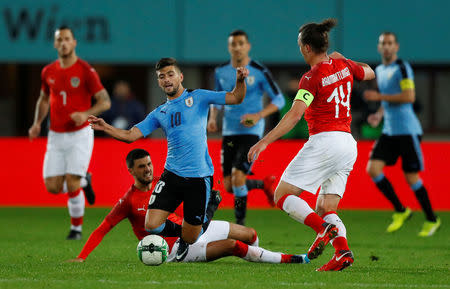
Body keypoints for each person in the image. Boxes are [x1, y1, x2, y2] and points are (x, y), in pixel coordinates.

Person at [88, 57, 249, 262]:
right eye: (161, 77)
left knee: (192, 237)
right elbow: (130, 136)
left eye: (170, 74)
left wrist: (241, 81)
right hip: (171, 174)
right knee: (151, 224)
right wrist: (106, 127)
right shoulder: (159, 113)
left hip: (198, 178)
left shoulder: (199, 97)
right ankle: (186, 230)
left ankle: (205, 214)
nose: (166, 79)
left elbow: (236, 98)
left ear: (180, 77)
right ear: (159, 82)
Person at [248, 19, 375, 271]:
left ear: (306, 48)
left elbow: (294, 115)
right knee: (326, 206)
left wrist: (264, 141)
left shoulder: (310, 77)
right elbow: (370, 71)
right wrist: (346, 61)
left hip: (325, 141)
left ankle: (322, 229)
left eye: (299, 44)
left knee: (282, 194)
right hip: (349, 144)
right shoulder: (344, 65)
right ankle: (342, 252)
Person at [66, 149, 309, 265]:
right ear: (131, 170)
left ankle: (256, 260)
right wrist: (81, 257)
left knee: (250, 234)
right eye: (141, 167)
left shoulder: (164, 185)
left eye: (149, 164)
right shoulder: (128, 201)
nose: (147, 169)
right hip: (174, 250)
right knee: (234, 246)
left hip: (193, 230)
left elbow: (185, 213)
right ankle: (293, 260)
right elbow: (103, 227)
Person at [28, 26, 111, 240]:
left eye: (67, 39)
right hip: (55, 134)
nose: (63, 43)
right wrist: (37, 123)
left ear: (74, 43)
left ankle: (76, 229)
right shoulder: (48, 71)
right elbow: (44, 99)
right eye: (59, 40)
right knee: (53, 187)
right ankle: (86, 181)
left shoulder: (85, 70)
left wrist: (86, 114)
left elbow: (105, 101)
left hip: (80, 134)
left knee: (71, 182)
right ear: (55, 44)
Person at [364, 32, 441, 237]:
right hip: (389, 130)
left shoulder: (402, 68)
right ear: (379, 48)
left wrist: (379, 96)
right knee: (373, 169)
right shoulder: (380, 70)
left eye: (390, 43)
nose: (387, 47)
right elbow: (387, 100)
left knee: (411, 177)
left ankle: (432, 219)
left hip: (407, 130)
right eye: (383, 43)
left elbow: (409, 96)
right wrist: (379, 115)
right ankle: (400, 210)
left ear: (396, 47)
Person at [207, 30, 286, 225]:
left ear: (248, 46)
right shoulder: (221, 72)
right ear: (229, 47)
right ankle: (263, 184)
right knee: (228, 185)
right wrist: (213, 116)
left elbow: (279, 99)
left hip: (252, 132)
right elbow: (217, 98)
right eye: (233, 44)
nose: (237, 47)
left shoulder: (259, 71)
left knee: (238, 177)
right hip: (229, 132)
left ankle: (239, 226)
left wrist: (258, 115)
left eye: (241, 43)